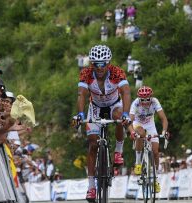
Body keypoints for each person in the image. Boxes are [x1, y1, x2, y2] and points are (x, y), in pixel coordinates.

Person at [75, 45, 131, 201]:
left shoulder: (116, 72)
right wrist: (80, 114)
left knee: (120, 117)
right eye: (96, 64)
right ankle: (91, 187)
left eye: (103, 63)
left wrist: (126, 114)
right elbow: (81, 94)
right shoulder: (86, 73)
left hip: (114, 105)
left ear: (108, 62)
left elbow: (126, 92)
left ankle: (118, 151)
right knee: (93, 144)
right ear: (91, 63)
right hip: (96, 107)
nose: (100, 67)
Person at [128, 86, 169, 193]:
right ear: (139, 98)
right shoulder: (135, 103)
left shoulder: (155, 102)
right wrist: (132, 131)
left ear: (151, 97)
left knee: (155, 152)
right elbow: (130, 120)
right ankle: (138, 163)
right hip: (138, 124)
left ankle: (156, 180)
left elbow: (163, 118)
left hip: (150, 126)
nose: (145, 102)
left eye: (147, 99)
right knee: (140, 134)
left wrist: (164, 132)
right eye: (143, 99)